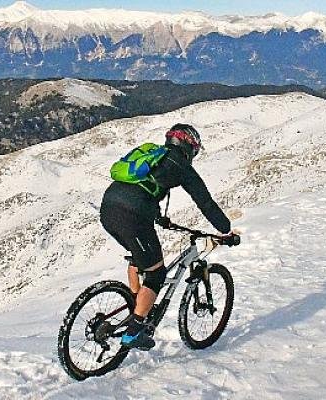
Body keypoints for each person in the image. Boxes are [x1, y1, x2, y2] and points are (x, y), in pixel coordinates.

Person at [99, 123, 239, 350]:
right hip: (133, 216)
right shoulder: (182, 166)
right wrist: (226, 231)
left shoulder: (155, 155)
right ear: (190, 147)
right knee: (156, 274)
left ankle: (136, 304)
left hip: (108, 209)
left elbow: (141, 188)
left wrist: (157, 217)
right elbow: (206, 203)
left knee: (138, 258)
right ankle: (134, 331)